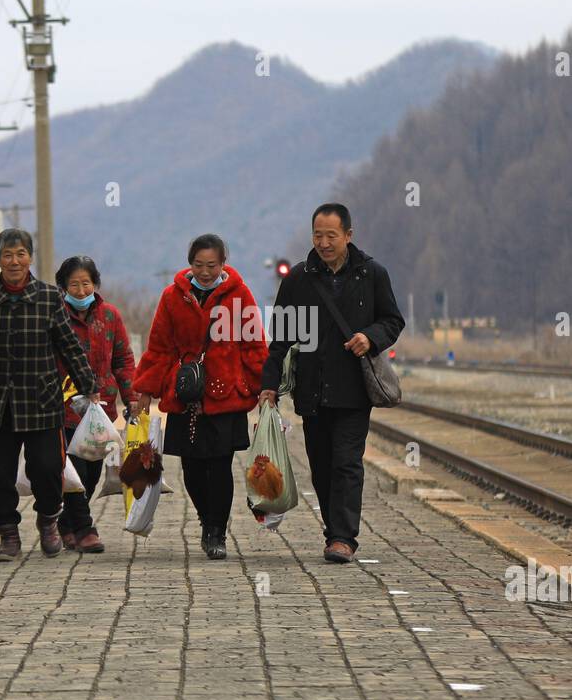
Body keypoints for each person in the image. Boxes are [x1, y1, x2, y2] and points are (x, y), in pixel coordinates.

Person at [260, 203, 404, 563]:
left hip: (354, 391)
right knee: (321, 465)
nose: (324, 243)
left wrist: (370, 337)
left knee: (347, 462)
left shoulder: (372, 275)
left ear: (348, 236)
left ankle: (343, 537)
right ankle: (333, 530)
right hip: (312, 391)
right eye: (318, 236)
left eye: (331, 236)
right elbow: (279, 339)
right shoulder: (297, 280)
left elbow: (392, 320)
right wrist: (268, 387)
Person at [0, 229, 101, 561]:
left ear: (30, 257)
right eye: (7, 255)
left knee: (48, 468)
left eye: (20, 254)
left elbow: (69, 346)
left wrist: (89, 387)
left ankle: (49, 521)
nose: (14, 261)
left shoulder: (49, 298)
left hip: (42, 401)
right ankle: (8, 535)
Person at [132, 234, 268, 560]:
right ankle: (206, 518)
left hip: (225, 395)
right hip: (186, 394)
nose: (205, 272)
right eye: (198, 265)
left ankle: (216, 531)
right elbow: (159, 348)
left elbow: (253, 345)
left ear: (223, 264)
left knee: (220, 465)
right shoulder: (172, 297)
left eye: (211, 265)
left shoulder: (239, 296)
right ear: (189, 263)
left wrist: (263, 385)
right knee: (192, 467)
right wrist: (146, 390)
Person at [55, 255, 137, 553]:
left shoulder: (110, 316)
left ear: (95, 284)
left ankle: (65, 523)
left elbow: (123, 360)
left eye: (85, 283)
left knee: (90, 472)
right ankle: (86, 528)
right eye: (73, 284)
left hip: (101, 409)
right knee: (73, 467)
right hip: (63, 407)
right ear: (63, 287)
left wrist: (132, 398)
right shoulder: (55, 315)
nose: (80, 290)